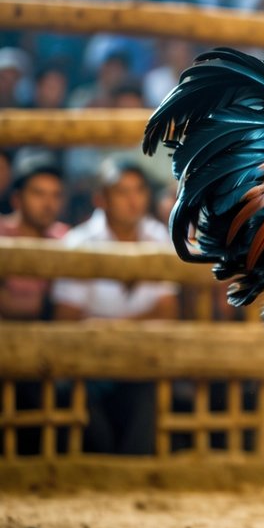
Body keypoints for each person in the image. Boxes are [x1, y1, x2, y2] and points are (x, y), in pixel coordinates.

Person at [52, 157, 179, 455]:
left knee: (147, 395)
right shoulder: (79, 243)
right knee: (92, 423)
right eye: (122, 191)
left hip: (142, 359)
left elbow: (168, 312)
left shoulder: (158, 237)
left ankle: (137, 476)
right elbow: (66, 319)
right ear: (101, 198)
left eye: (139, 190)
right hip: (86, 362)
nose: (132, 200)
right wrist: (136, 324)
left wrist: (105, 325)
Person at [0, 157, 68, 321]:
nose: (48, 204)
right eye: (38, 193)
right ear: (17, 199)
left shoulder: (65, 238)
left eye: (56, 195)